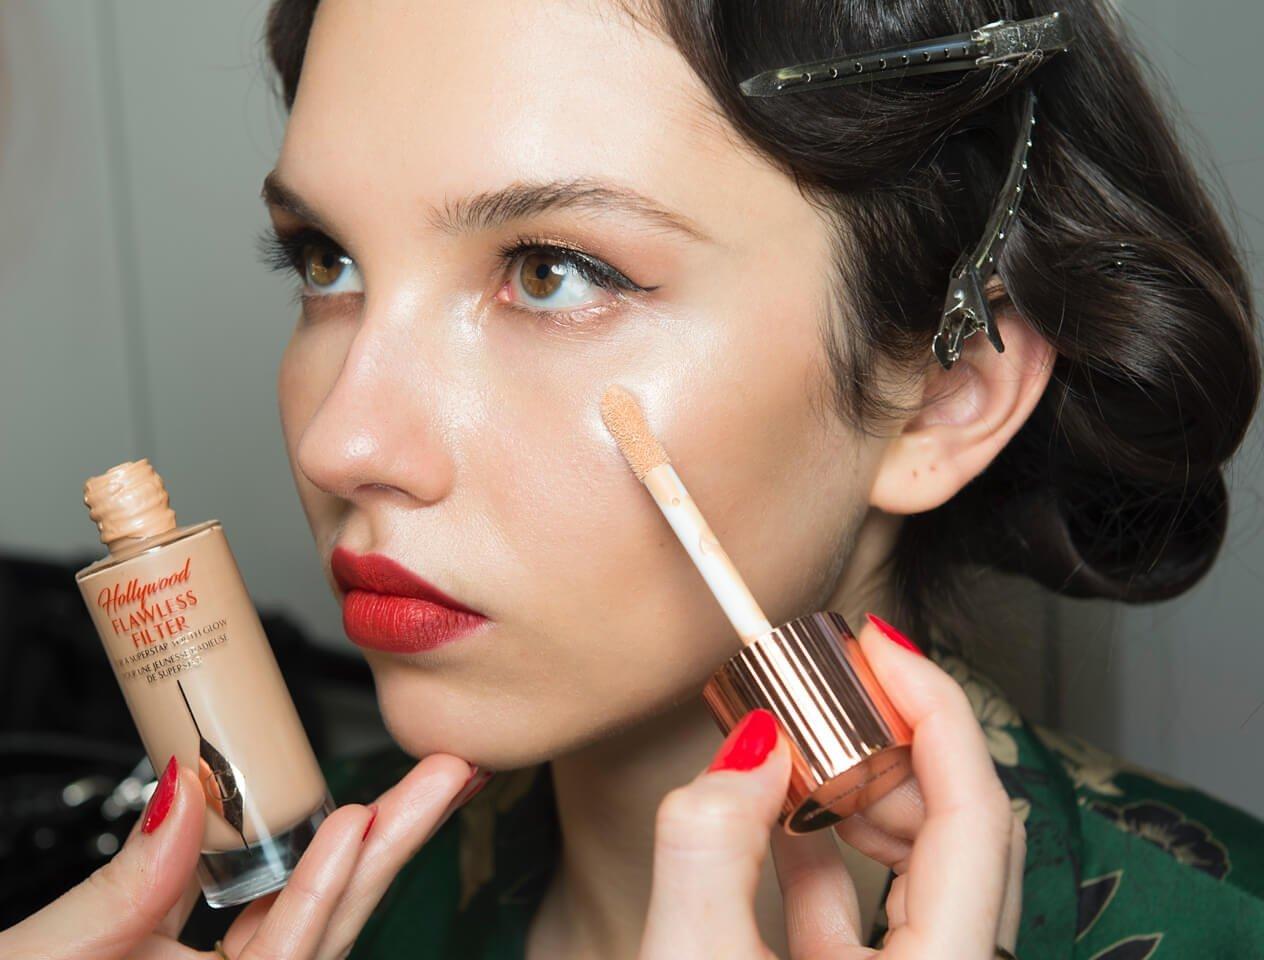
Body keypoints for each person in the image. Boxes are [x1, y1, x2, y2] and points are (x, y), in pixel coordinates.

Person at [4, 0, 1263, 957]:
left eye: (554, 271)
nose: (345, 440)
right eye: (324, 260)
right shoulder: (291, 919)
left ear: (946, 393)